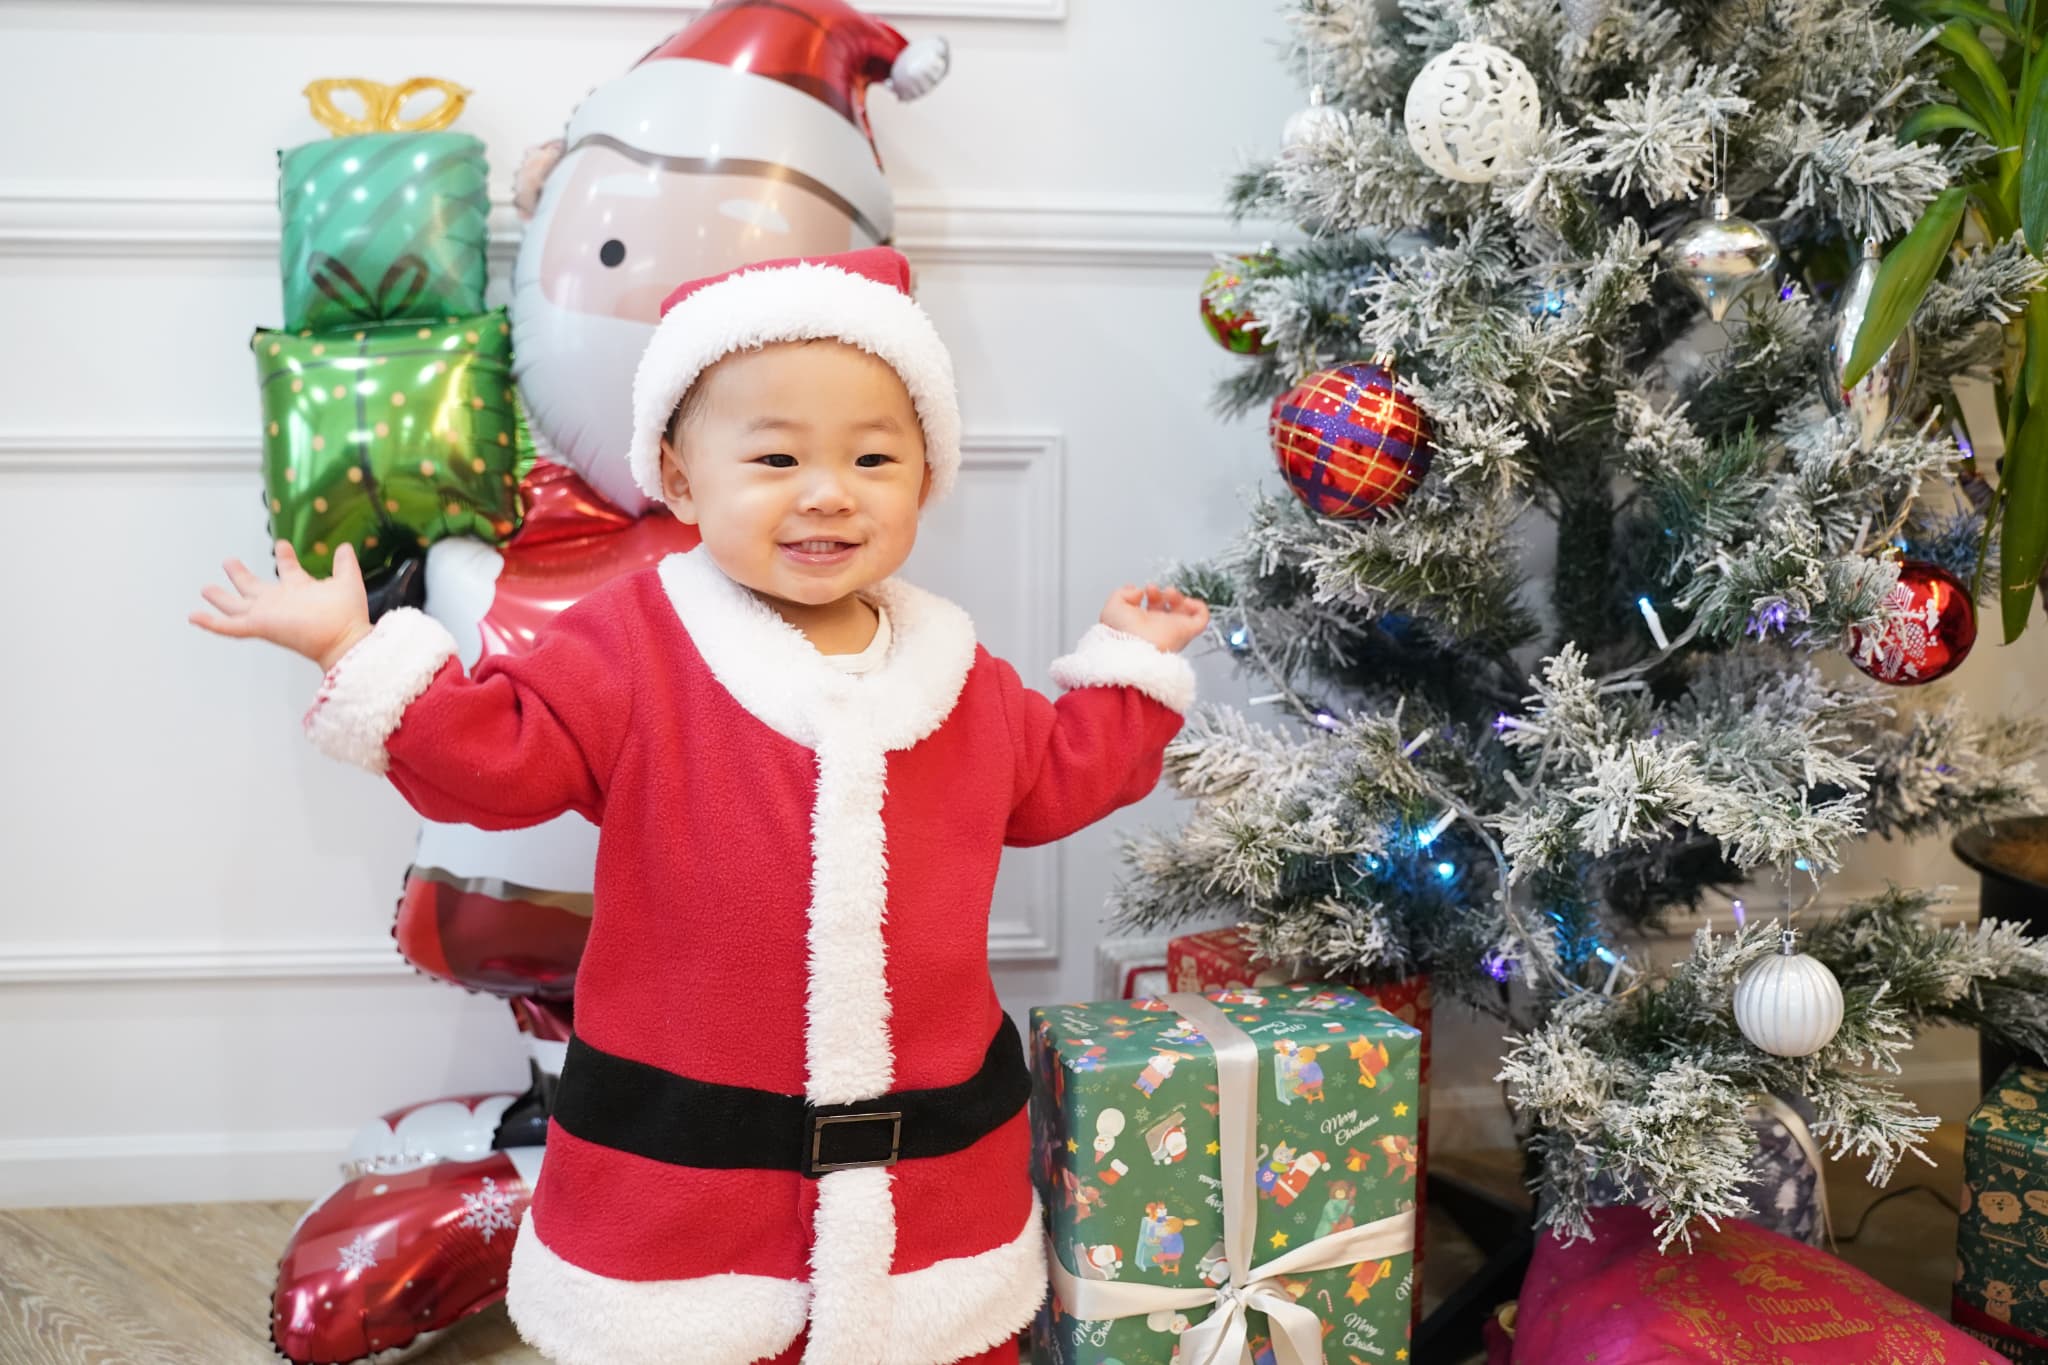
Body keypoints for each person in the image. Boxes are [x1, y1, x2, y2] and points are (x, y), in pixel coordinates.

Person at [191, 245, 1208, 1365]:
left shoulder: (952, 671)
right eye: (775, 457)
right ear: (680, 482)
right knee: (699, 1337)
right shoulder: (634, 645)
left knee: (940, 1334)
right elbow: (498, 756)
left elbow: (1060, 771)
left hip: (928, 1171)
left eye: (873, 458)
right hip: (687, 1176)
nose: (828, 491)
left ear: (924, 479)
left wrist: (1130, 668)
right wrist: (353, 649)